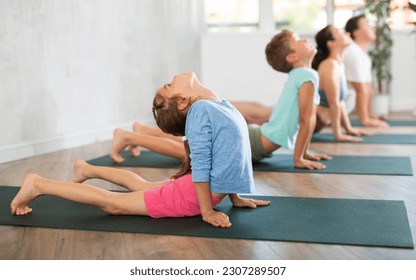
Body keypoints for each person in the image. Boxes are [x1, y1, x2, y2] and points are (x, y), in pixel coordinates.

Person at [10, 72, 270, 228]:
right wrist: (207, 211)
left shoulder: (217, 104)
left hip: (193, 189)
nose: (170, 81)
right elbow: (203, 163)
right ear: (182, 101)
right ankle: (39, 184)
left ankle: (86, 169)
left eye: (167, 84)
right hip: (193, 195)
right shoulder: (203, 110)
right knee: (113, 204)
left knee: (141, 185)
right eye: (169, 85)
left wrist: (235, 197)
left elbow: (229, 154)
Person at [111, 31, 331, 170]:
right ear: (292, 57)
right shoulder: (307, 75)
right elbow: (306, 120)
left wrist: (304, 152)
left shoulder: (300, 75)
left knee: (188, 144)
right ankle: (131, 135)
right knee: (186, 151)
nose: (304, 39)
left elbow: (305, 119)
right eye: (298, 40)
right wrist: (299, 158)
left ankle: (139, 131)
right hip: (255, 141)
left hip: (256, 136)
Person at [312, 25, 372, 142]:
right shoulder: (330, 65)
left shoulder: (338, 64)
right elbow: (333, 103)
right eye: (340, 32)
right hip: (312, 121)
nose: (347, 34)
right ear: (331, 43)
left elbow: (340, 102)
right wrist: (338, 134)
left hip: (317, 123)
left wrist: (349, 129)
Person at [343, 15, 389, 128]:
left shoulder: (360, 53)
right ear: (356, 32)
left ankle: (367, 115)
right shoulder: (352, 52)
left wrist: (369, 115)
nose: (371, 27)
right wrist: (365, 120)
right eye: (366, 25)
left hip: (345, 105)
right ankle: (365, 117)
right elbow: (360, 89)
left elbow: (368, 87)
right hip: (336, 108)